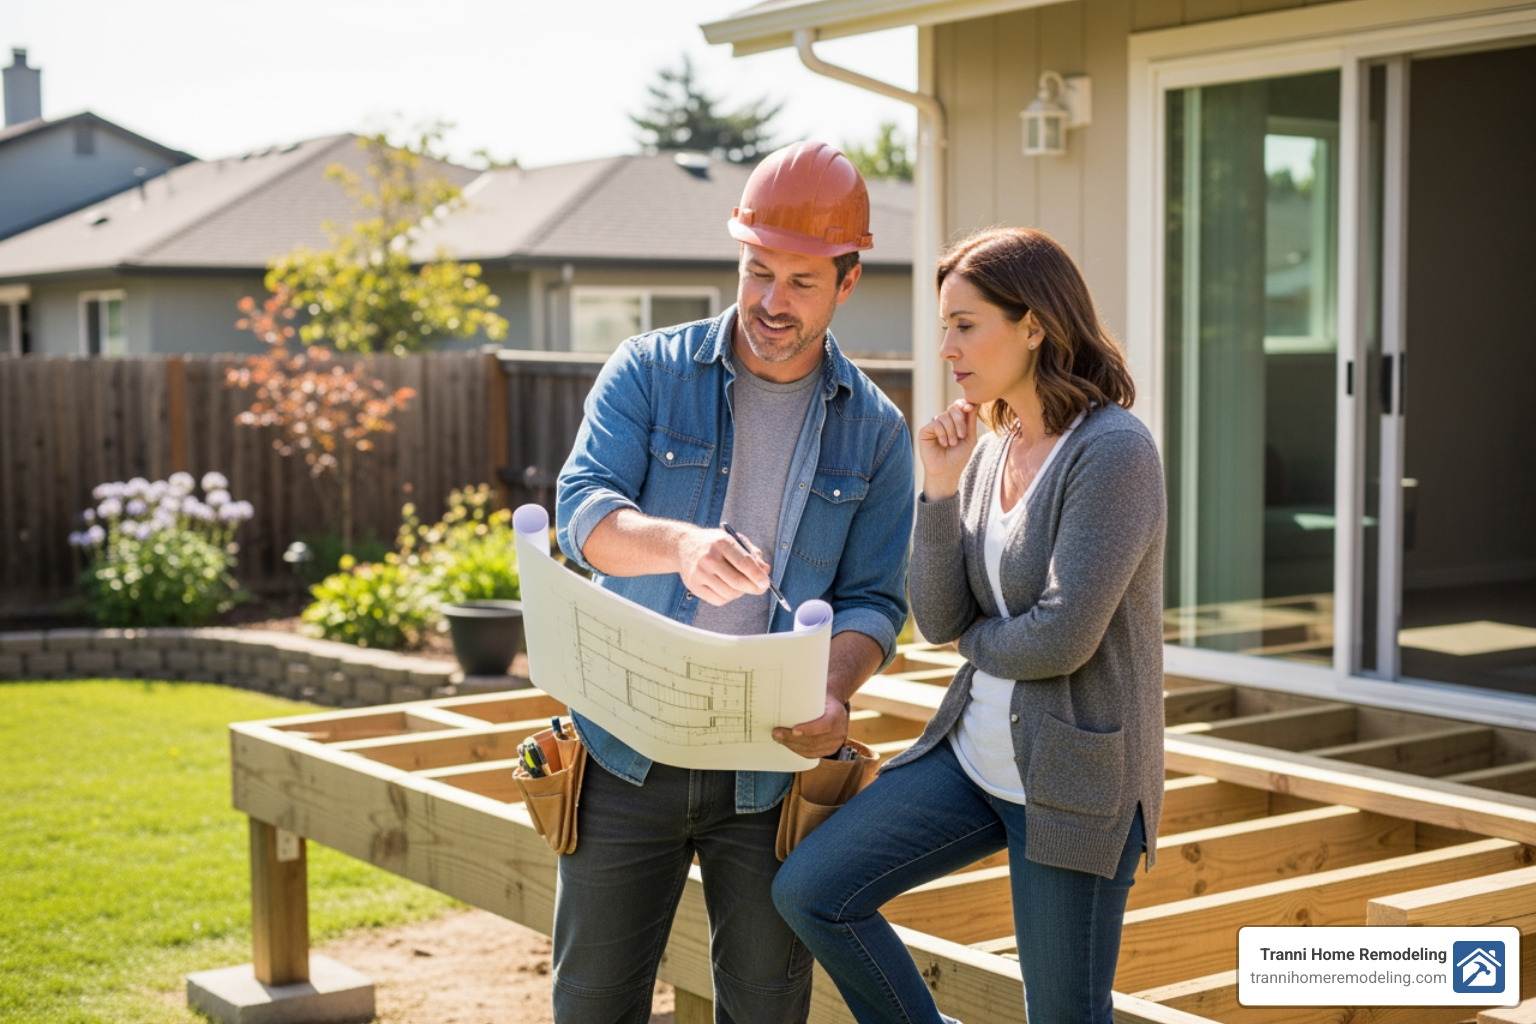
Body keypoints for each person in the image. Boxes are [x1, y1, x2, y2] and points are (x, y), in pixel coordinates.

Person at [552, 140, 914, 1024]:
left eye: (799, 282)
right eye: (757, 272)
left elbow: (875, 600)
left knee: (763, 1007)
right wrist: (676, 545)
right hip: (621, 750)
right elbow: (581, 510)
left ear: (848, 281)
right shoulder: (649, 370)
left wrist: (832, 691)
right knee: (594, 1006)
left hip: (768, 771)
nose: (770, 303)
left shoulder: (875, 432)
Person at [773, 226, 1166, 1024]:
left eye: (965, 324)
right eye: (943, 324)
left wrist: (973, 645)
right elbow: (940, 616)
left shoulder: (1115, 451)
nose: (946, 346)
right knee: (813, 892)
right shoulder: (992, 447)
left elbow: (1061, 637)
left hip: (1070, 785)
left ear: (1034, 326)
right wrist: (941, 489)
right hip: (974, 760)